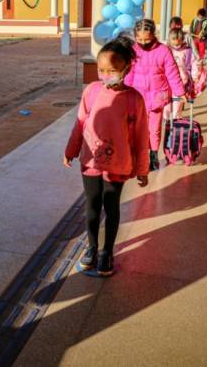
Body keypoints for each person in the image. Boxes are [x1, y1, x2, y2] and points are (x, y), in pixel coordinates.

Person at [64, 37, 150, 277]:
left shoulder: (134, 100)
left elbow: (142, 137)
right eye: (101, 70)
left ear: (126, 69)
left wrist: (142, 169)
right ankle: (91, 248)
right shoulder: (91, 91)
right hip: (90, 161)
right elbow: (80, 123)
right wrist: (71, 150)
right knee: (91, 206)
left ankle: (107, 252)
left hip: (118, 165)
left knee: (111, 207)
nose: (105, 75)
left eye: (111, 71)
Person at [124, 19, 187, 171]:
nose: (143, 42)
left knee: (154, 129)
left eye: (147, 39)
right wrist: (123, 91)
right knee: (136, 128)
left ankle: (153, 157)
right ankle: (138, 155)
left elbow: (172, 74)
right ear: (135, 37)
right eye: (140, 39)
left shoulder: (163, 50)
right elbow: (129, 73)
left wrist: (180, 92)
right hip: (137, 96)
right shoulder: (133, 50)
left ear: (154, 35)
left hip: (157, 97)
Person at [164, 28, 195, 120]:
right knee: (166, 104)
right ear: (169, 39)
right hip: (166, 81)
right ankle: (167, 121)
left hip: (182, 81)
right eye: (173, 42)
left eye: (178, 43)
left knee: (178, 103)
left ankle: (176, 120)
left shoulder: (187, 50)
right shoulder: (165, 49)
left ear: (182, 40)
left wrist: (194, 77)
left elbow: (192, 64)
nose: (176, 45)